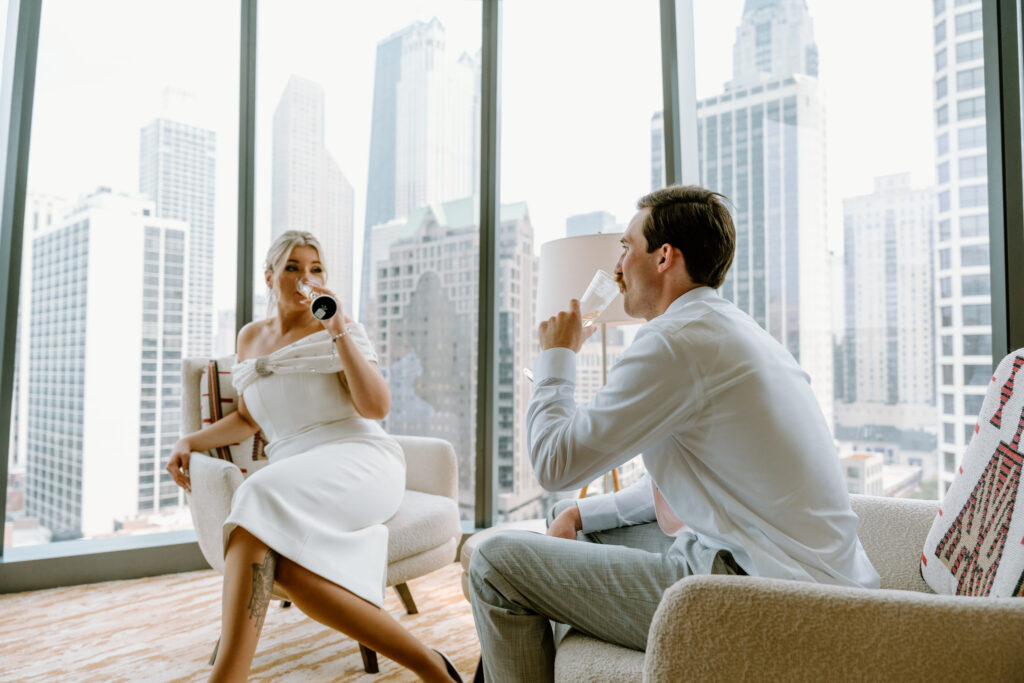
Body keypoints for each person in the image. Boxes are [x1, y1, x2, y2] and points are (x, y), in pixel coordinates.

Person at [468, 185, 880, 682]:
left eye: (626, 247)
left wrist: (558, 358)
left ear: (664, 257)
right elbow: (682, 486)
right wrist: (578, 511)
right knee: (574, 519)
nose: (617, 267)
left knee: (493, 564)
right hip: (800, 576)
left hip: (771, 602)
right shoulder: (725, 328)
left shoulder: (674, 342)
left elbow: (555, 464)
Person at [167, 231, 461, 683]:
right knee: (282, 564)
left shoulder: (341, 329)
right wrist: (190, 440)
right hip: (298, 471)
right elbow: (247, 418)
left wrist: (338, 329)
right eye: (292, 268)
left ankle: (226, 678)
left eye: (315, 268)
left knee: (256, 495)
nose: (306, 278)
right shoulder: (249, 338)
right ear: (269, 277)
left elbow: (377, 408)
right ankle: (430, 665)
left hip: (361, 458)